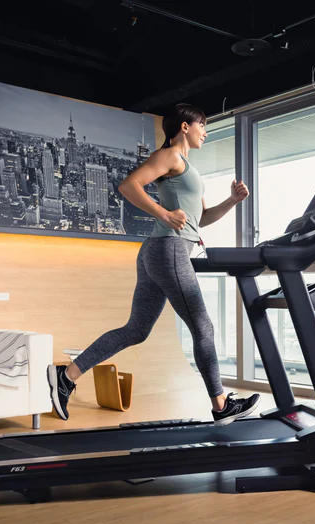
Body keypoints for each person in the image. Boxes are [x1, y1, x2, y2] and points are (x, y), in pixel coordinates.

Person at [47, 103, 260, 427]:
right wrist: (164, 214)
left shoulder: (187, 167)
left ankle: (66, 376)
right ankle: (220, 406)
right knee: (203, 327)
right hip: (169, 251)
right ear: (184, 126)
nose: (206, 130)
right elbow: (128, 186)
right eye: (202, 124)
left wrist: (232, 200)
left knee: (135, 331)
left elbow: (201, 218)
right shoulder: (170, 155)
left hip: (159, 252)